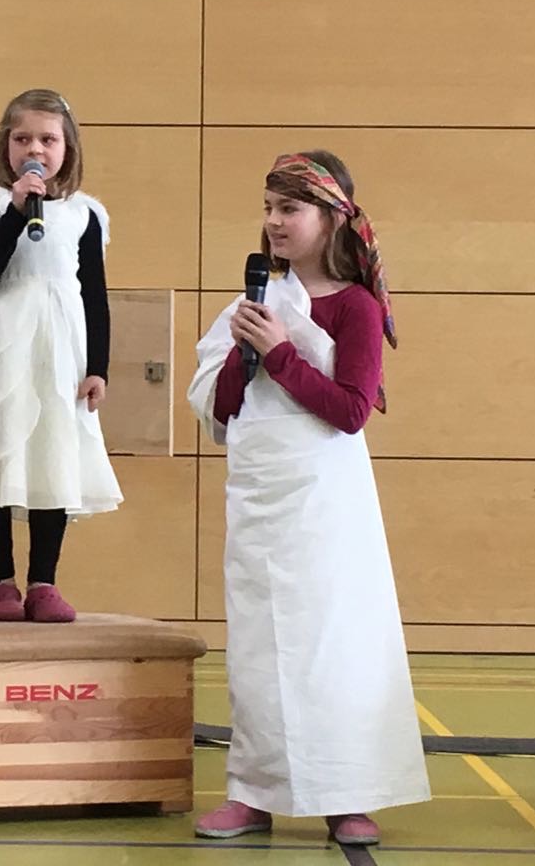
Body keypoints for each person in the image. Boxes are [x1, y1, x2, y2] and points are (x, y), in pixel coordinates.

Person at [188, 151, 429, 847]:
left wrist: (282, 352)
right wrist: (245, 352)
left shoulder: (355, 306)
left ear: (331, 218)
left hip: (327, 504)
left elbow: (350, 411)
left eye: (289, 209)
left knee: (331, 645)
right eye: (268, 208)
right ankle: (254, 792)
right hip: (261, 501)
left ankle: (344, 794)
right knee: (259, 649)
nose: (274, 221)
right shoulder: (256, 301)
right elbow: (222, 410)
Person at [0, 88, 122, 623]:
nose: (35, 148)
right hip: (5, 343)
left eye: (48, 139)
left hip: (62, 350)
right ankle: (0, 582)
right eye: (23, 138)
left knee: (53, 451)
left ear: (67, 147)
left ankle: (44, 581)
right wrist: (15, 209)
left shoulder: (84, 214)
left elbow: (95, 295)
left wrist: (98, 367)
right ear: (6, 145)